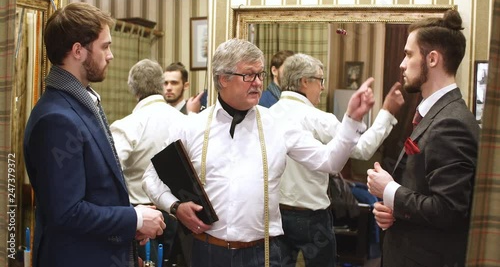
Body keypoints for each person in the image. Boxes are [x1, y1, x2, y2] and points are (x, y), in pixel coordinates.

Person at [142, 38, 375, 267]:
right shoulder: (190, 126)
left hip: (262, 254)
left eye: (260, 74)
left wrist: (352, 120)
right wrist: (175, 207)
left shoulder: (278, 124)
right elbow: (151, 178)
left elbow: (329, 161)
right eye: (248, 75)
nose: (257, 83)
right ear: (223, 79)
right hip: (206, 250)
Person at [23, 2, 166, 267]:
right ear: (78, 51)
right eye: (105, 46)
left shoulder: (80, 103)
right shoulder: (56, 118)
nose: (110, 55)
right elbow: (66, 212)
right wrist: (134, 219)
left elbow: (97, 194)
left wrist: (128, 227)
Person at [366, 10, 479, 267]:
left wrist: (389, 189)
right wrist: (394, 210)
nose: (402, 64)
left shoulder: (451, 123)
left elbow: (449, 211)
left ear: (432, 59)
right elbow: (424, 191)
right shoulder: (436, 114)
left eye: (408, 54)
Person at [269, 53, 404, 267]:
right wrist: (387, 113)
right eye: (320, 80)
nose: (323, 87)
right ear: (305, 81)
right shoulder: (317, 118)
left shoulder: (267, 115)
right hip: (311, 218)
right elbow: (362, 149)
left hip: (275, 215)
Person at [110, 59, 186, 265]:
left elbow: (109, 172)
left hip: (140, 220)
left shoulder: (127, 126)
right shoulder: (186, 122)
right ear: (161, 84)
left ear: (133, 89)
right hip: (179, 217)